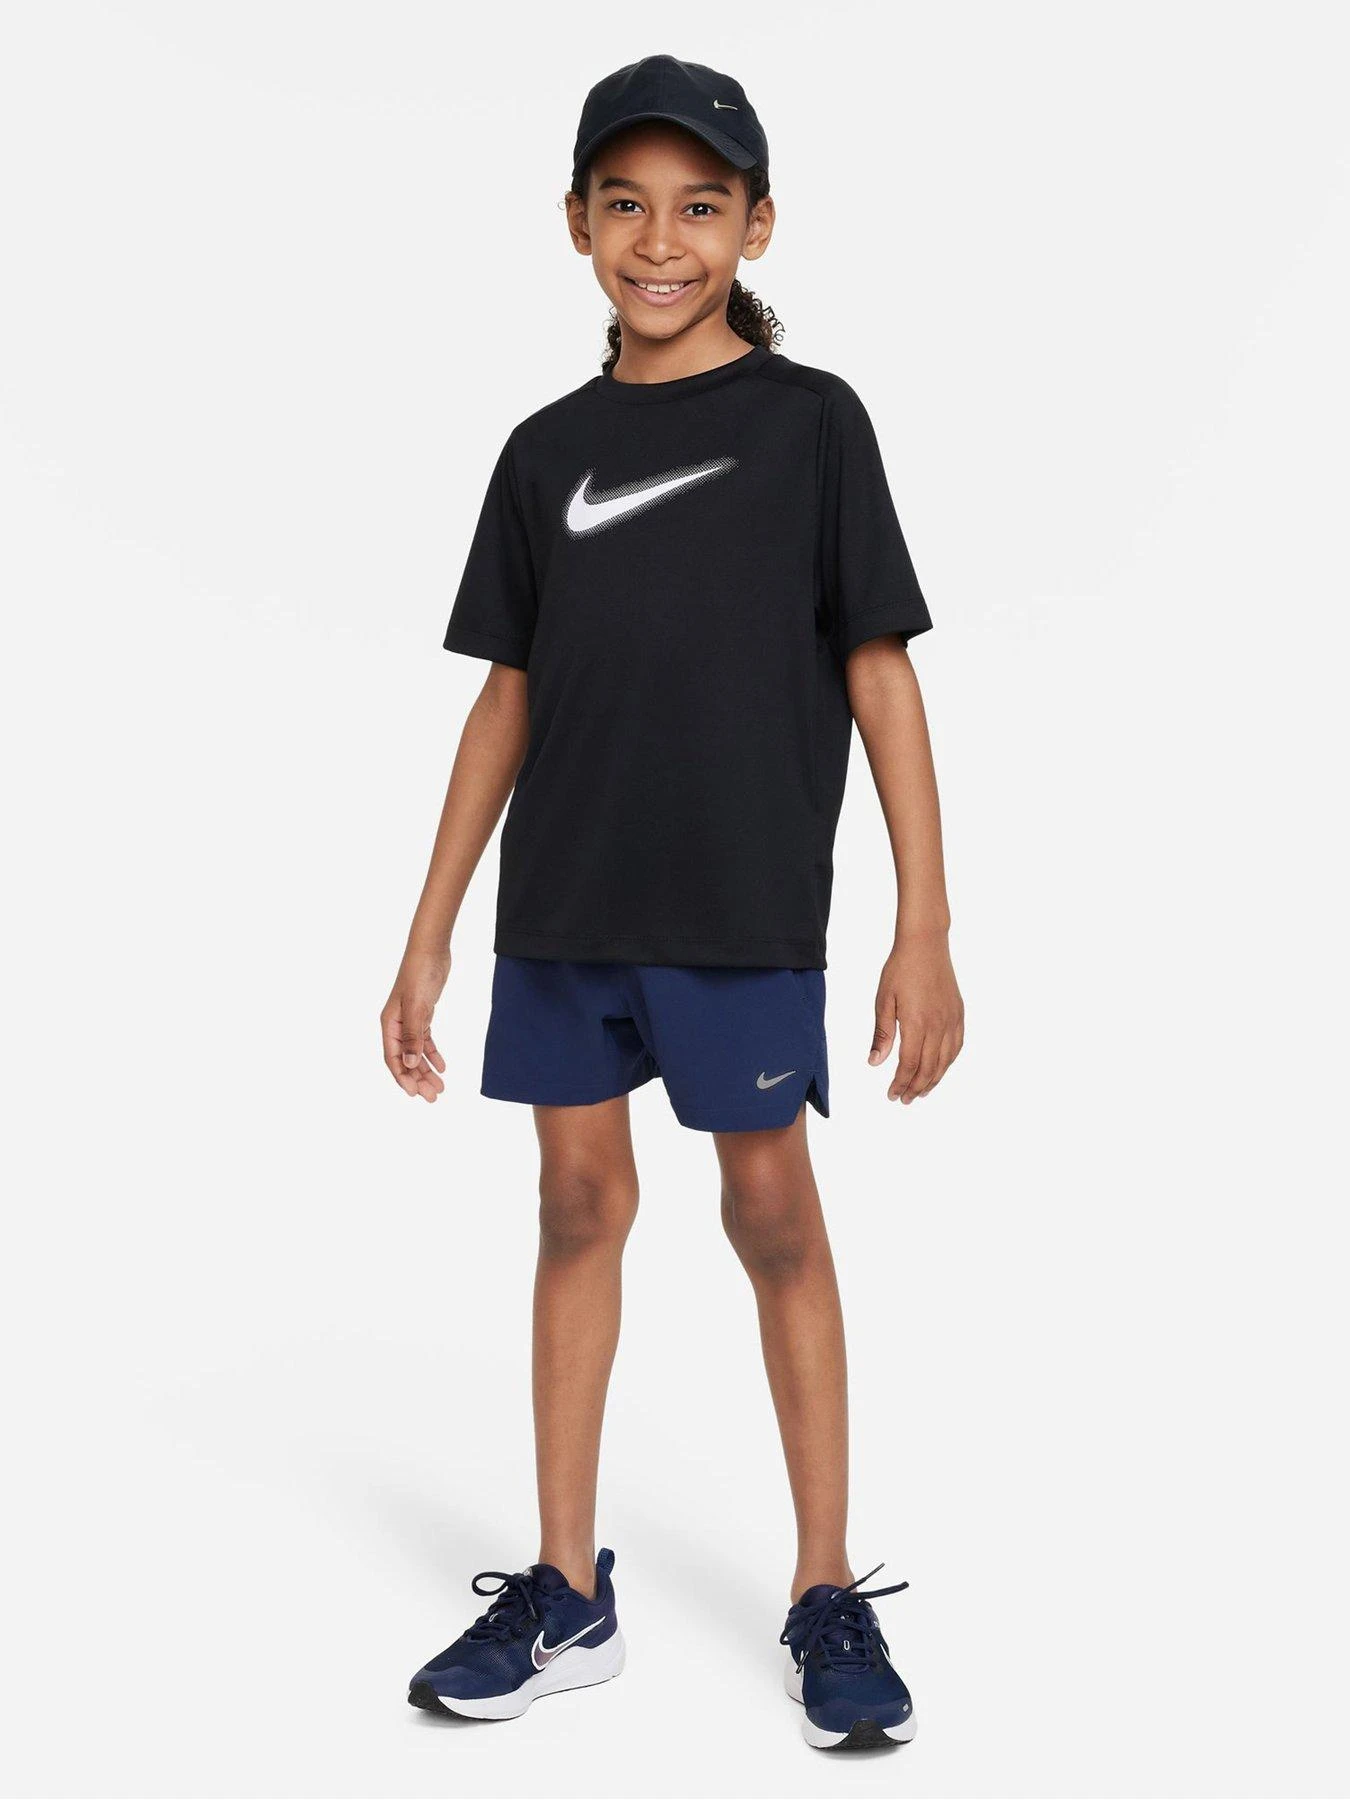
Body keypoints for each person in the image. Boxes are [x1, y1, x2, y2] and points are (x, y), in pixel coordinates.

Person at [381, 53, 964, 1753]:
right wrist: (427, 930)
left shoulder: (811, 426)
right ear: (575, 224)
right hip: (565, 905)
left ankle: (823, 1589)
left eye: (699, 207)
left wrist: (923, 924)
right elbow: (506, 698)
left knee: (771, 1214)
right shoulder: (543, 452)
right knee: (577, 1207)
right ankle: (566, 1592)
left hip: (739, 908)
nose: (660, 239)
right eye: (624, 205)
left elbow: (879, 672)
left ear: (755, 225)